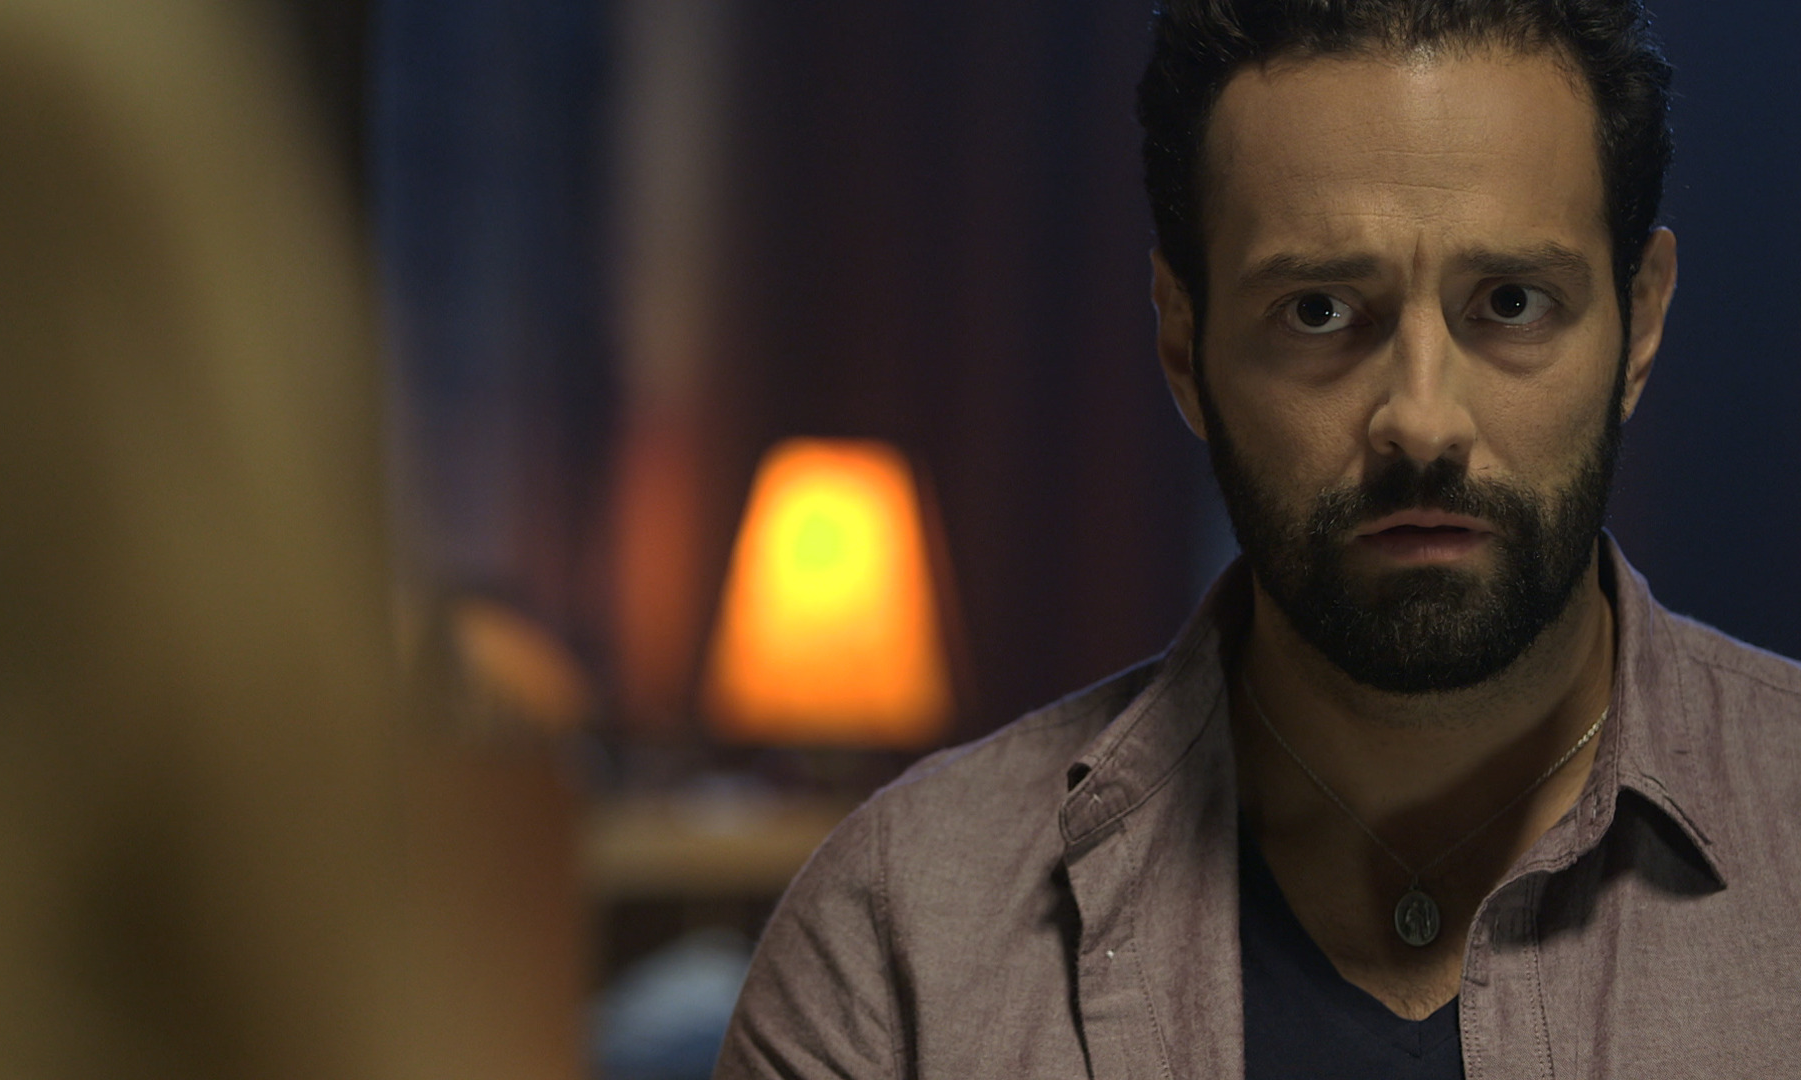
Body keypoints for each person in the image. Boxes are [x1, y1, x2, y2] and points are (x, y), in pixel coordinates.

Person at [713, 1, 1801, 1076]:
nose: (1422, 422)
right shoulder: (897, 942)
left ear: (1640, 324)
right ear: (1183, 346)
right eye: (1319, 310)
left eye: (1513, 302)